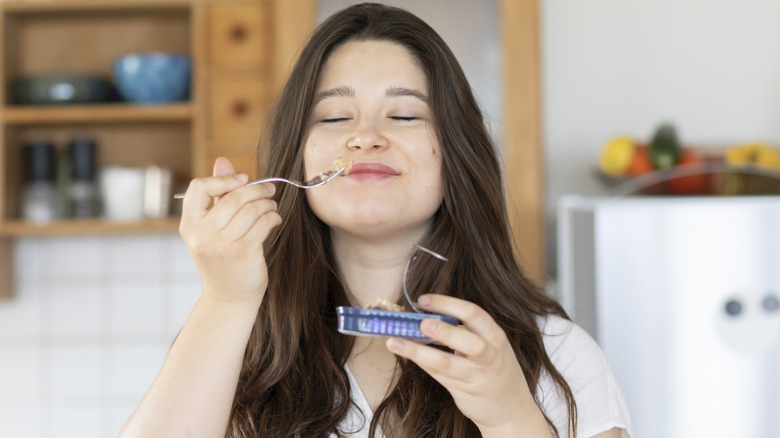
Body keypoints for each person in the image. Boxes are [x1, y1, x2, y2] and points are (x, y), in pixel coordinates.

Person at [119, 3, 632, 437]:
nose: (365, 137)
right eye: (334, 117)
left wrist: (512, 418)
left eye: (404, 115)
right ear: (298, 155)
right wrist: (226, 299)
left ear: (456, 152)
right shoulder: (238, 345)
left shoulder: (557, 354)